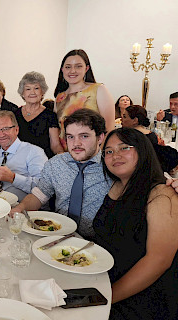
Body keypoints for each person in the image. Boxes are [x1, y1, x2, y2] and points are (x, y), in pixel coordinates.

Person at [93, 127, 178, 320]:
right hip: (105, 280)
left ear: (143, 150)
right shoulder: (117, 187)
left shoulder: (161, 194)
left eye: (124, 148)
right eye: (108, 151)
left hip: (142, 298)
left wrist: (106, 296)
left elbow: (159, 261)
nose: (115, 155)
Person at [11, 109, 110, 238]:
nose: (76, 143)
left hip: (96, 242)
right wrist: (20, 208)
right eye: (70, 137)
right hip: (57, 234)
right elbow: (39, 196)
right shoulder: (56, 164)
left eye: (84, 136)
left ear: (100, 137)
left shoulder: (111, 167)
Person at [0, 110, 48, 202]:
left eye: (6, 129)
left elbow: (44, 188)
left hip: (24, 210)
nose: (1, 134)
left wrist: (13, 178)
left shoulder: (34, 152)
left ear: (16, 130)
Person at [54, 49, 115, 150]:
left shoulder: (98, 90)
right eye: (68, 67)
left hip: (92, 153)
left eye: (78, 66)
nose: (72, 71)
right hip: (66, 155)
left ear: (86, 68)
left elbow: (109, 128)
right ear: (62, 69)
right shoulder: (60, 97)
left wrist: (99, 155)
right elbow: (58, 132)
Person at [15, 71, 63, 158]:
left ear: (42, 92)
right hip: (20, 161)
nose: (32, 92)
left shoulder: (50, 115)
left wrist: (63, 158)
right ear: (22, 93)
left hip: (43, 160)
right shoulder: (15, 114)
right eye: (28, 89)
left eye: (36, 88)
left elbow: (55, 145)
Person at [123, 105, 178, 173]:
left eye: (124, 117)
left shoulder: (130, 138)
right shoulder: (152, 135)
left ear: (135, 120)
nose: (121, 119)